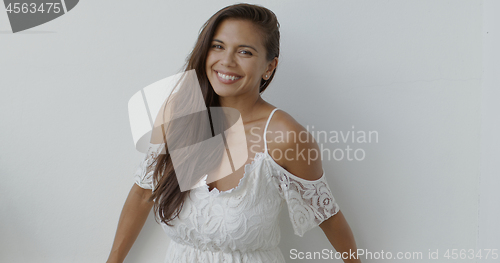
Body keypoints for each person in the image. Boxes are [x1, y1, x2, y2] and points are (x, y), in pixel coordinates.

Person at [106, 3, 361, 263]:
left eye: (245, 52)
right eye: (218, 46)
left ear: (269, 67)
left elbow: (330, 220)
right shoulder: (178, 113)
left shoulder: (285, 136)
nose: (226, 61)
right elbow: (142, 193)